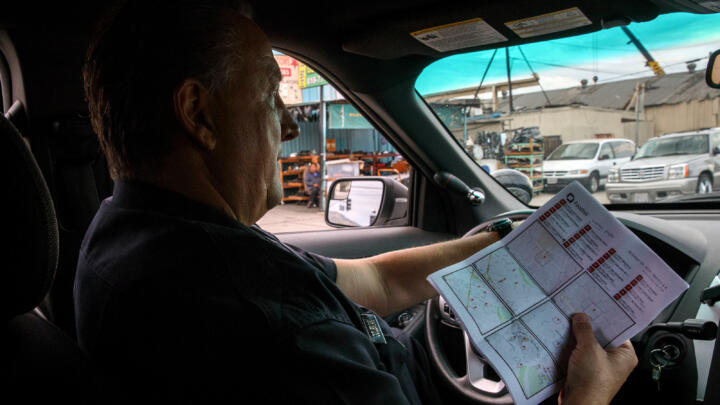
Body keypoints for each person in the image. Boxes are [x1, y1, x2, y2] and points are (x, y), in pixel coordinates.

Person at [74, 1, 637, 403]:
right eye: (271, 98)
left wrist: (501, 242)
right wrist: (587, 397)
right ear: (198, 114)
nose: (291, 125)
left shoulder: (136, 233)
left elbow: (378, 282)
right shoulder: (263, 329)